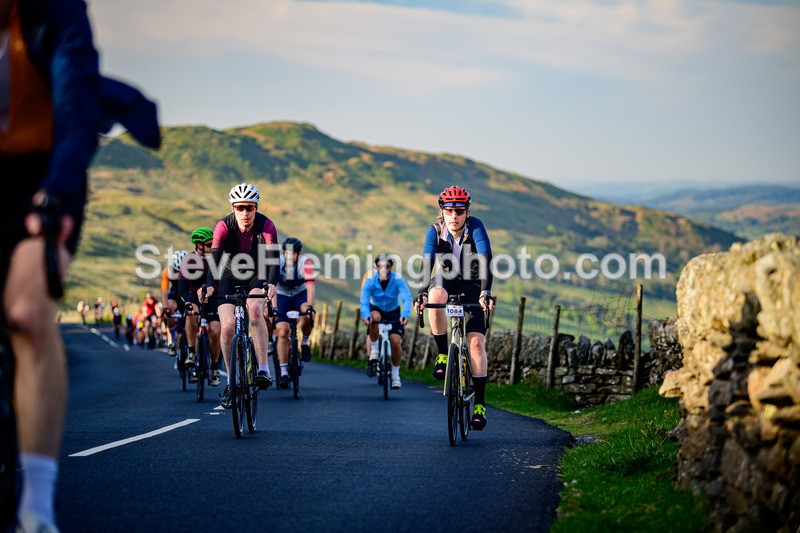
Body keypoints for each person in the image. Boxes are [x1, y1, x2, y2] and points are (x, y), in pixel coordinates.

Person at [0, 0, 159, 530]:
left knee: (26, 312)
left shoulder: (54, 9)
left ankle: (37, 506)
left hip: (44, 173)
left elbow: (73, 105)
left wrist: (59, 192)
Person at [416, 185, 495, 430]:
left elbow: (486, 258)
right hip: (447, 280)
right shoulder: (435, 230)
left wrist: (485, 292)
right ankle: (442, 353)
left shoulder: (476, 227)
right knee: (434, 294)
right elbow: (427, 261)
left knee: (475, 343)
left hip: (473, 284)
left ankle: (480, 404)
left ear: (467, 212)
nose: (454, 216)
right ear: (442, 211)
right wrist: (421, 292)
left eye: (459, 211)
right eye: (449, 210)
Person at [203, 183, 280, 407]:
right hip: (229, 275)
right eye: (240, 208)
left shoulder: (267, 225)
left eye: (249, 207)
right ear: (233, 208)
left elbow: (274, 259)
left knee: (255, 310)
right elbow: (215, 260)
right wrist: (209, 286)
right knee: (227, 326)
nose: (245, 213)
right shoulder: (223, 226)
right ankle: (232, 381)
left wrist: (272, 284)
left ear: (256, 208)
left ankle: (264, 369)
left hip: (257, 274)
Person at [360, 254, 412, 389]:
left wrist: (405, 315)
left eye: (387, 266)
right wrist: (366, 315)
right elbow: (364, 300)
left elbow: (407, 298)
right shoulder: (370, 281)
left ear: (391, 267)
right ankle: (375, 350)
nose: (384, 269)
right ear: (376, 267)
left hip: (393, 310)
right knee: (374, 318)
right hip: (376, 308)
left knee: (395, 341)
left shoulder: (398, 279)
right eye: (380, 266)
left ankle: (395, 375)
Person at [271, 237, 315, 390]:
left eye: (293, 254)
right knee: (283, 332)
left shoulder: (306, 262)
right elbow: (273, 287)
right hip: (282, 295)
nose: (290, 257)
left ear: (298, 253)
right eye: (287, 254)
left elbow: (310, 286)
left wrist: (310, 306)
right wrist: (275, 307)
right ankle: (283, 371)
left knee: (310, 314)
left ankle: (305, 343)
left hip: (299, 294)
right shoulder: (278, 262)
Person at [179, 227, 222, 387]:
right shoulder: (189, 260)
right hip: (193, 295)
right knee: (190, 314)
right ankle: (191, 351)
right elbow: (182, 285)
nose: (212, 247)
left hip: (214, 297)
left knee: (215, 330)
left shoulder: (216, 259)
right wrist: (186, 302)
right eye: (209, 244)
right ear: (198, 245)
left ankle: (215, 368)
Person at [162, 250, 187, 356]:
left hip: (187, 294)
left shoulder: (192, 269)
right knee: (169, 309)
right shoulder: (167, 271)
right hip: (175, 295)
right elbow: (164, 291)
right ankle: (172, 338)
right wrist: (165, 307)